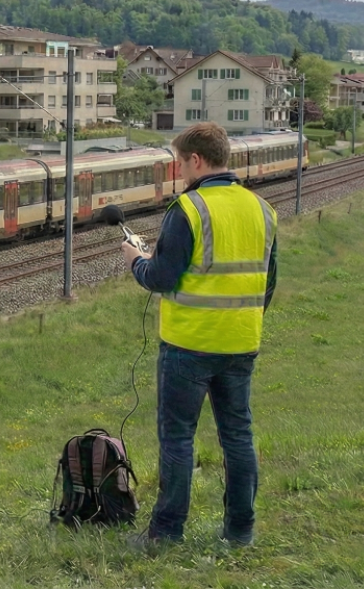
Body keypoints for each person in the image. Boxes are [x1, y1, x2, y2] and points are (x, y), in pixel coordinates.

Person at [121, 122, 277, 547]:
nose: (179, 171)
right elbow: (267, 283)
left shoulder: (188, 210)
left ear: (196, 160)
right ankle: (240, 531)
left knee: (177, 438)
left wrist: (136, 259)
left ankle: (167, 532)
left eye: (179, 162)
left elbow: (161, 277)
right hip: (242, 342)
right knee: (238, 436)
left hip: (189, 345)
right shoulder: (263, 209)